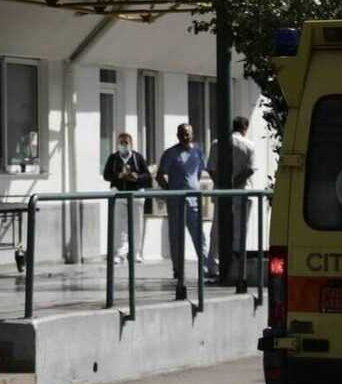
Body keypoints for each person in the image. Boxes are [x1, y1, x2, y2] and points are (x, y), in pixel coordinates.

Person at [157, 123, 213, 279]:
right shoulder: (170, 153)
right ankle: (178, 269)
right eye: (182, 134)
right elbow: (160, 176)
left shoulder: (198, 152)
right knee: (176, 237)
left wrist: (193, 186)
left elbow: (198, 173)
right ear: (177, 135)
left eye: (188, 133)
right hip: (176, 201)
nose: (185, 136)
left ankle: (205, 267)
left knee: (199, 236)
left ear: (193, 134)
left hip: (194, 200)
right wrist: (170, 191)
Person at [207, 116, 258, 281]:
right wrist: (234, 183)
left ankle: (213, 266)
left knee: (217, 229)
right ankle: (236, 267)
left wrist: (222, 184)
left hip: (221, 194)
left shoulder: (216, 144)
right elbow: (250, 169)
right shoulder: (249, 145)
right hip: (242, 192)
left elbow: (211, 169)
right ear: (245, 128)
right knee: (240, 231)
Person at [102, 132, 152, 264]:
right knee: (120, 226)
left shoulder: (137, 157)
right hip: (119, 194)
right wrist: (118, 176)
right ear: (117, 144)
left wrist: (137, 177)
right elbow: (106, 175)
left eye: (126, 143)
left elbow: (147, 176)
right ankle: (120, 254)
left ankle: (135, 253)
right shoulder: (113, 158)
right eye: (121, 143)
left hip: (136, 195)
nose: (124, 145)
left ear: (131, 144)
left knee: (137, 225)